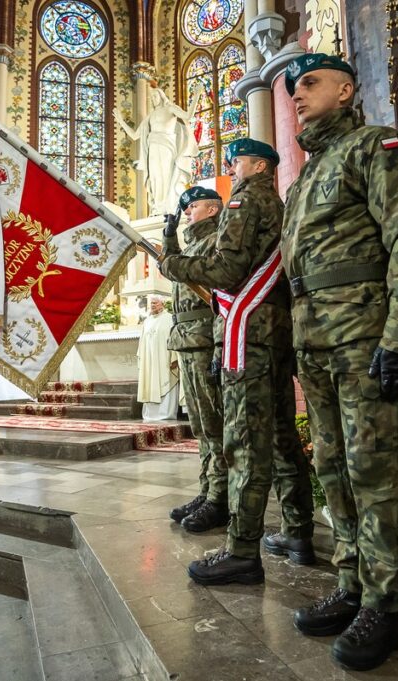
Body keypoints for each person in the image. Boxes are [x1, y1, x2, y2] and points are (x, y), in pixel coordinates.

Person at [281, 54, 398, 671]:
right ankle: (352, 585)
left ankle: (385, 608)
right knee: (333, 468)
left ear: (346, 90)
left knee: (373, 473)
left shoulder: (376, 146)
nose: (297, 95)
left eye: (310, 84)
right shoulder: (306, 175)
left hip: (363, 339)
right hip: (316, 343)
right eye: (293, 89)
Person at [159, 137, 316, 586]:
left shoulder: (246, 200)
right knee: (284, 436)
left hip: (249, 333)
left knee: (244, 442)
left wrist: (172, 265)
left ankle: (242, 550)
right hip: (276, 331)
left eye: (238, 160)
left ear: (261, 165)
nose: (232, 167)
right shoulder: (278, 204)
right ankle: (297, 531)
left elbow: (227, 270)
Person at [162, 186, 228, 532]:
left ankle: (220, 497)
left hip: (204, 340)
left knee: (214, 423)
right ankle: (207, 489)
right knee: (200, 425)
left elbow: (219, 299)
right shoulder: (192, 245)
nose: (188, 212)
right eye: (185, 207)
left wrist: (219, 346)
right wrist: (170, 237)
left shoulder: (217, 241)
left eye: (194, 206)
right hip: (188, 341)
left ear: (214, 210)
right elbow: (172, 268)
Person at [113, 86, 200, 214]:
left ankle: (170, 207)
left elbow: (188, 115)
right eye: (151, 97)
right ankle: (159, 208)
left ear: (162, 96)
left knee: (166, 175)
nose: (153, 99)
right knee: (155, 177)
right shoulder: (150, 116)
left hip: (167, 146)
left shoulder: (170, 108)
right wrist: (121, 121)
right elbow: (134, 135)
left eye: (155, 95)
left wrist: (197, 95)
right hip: (153, 147)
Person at [136, 296, 179, 421]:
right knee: (149, 382)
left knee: (164, 380)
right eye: (151, 303)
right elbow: (141, 342)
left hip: (164, 360)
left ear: (162, 304)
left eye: (155, 303)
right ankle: (151, 414)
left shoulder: (170, 318)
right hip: (149, 360)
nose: (152, 305)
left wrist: (174, 357)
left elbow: (174, 338)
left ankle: (165, 413)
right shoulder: (147, 321)